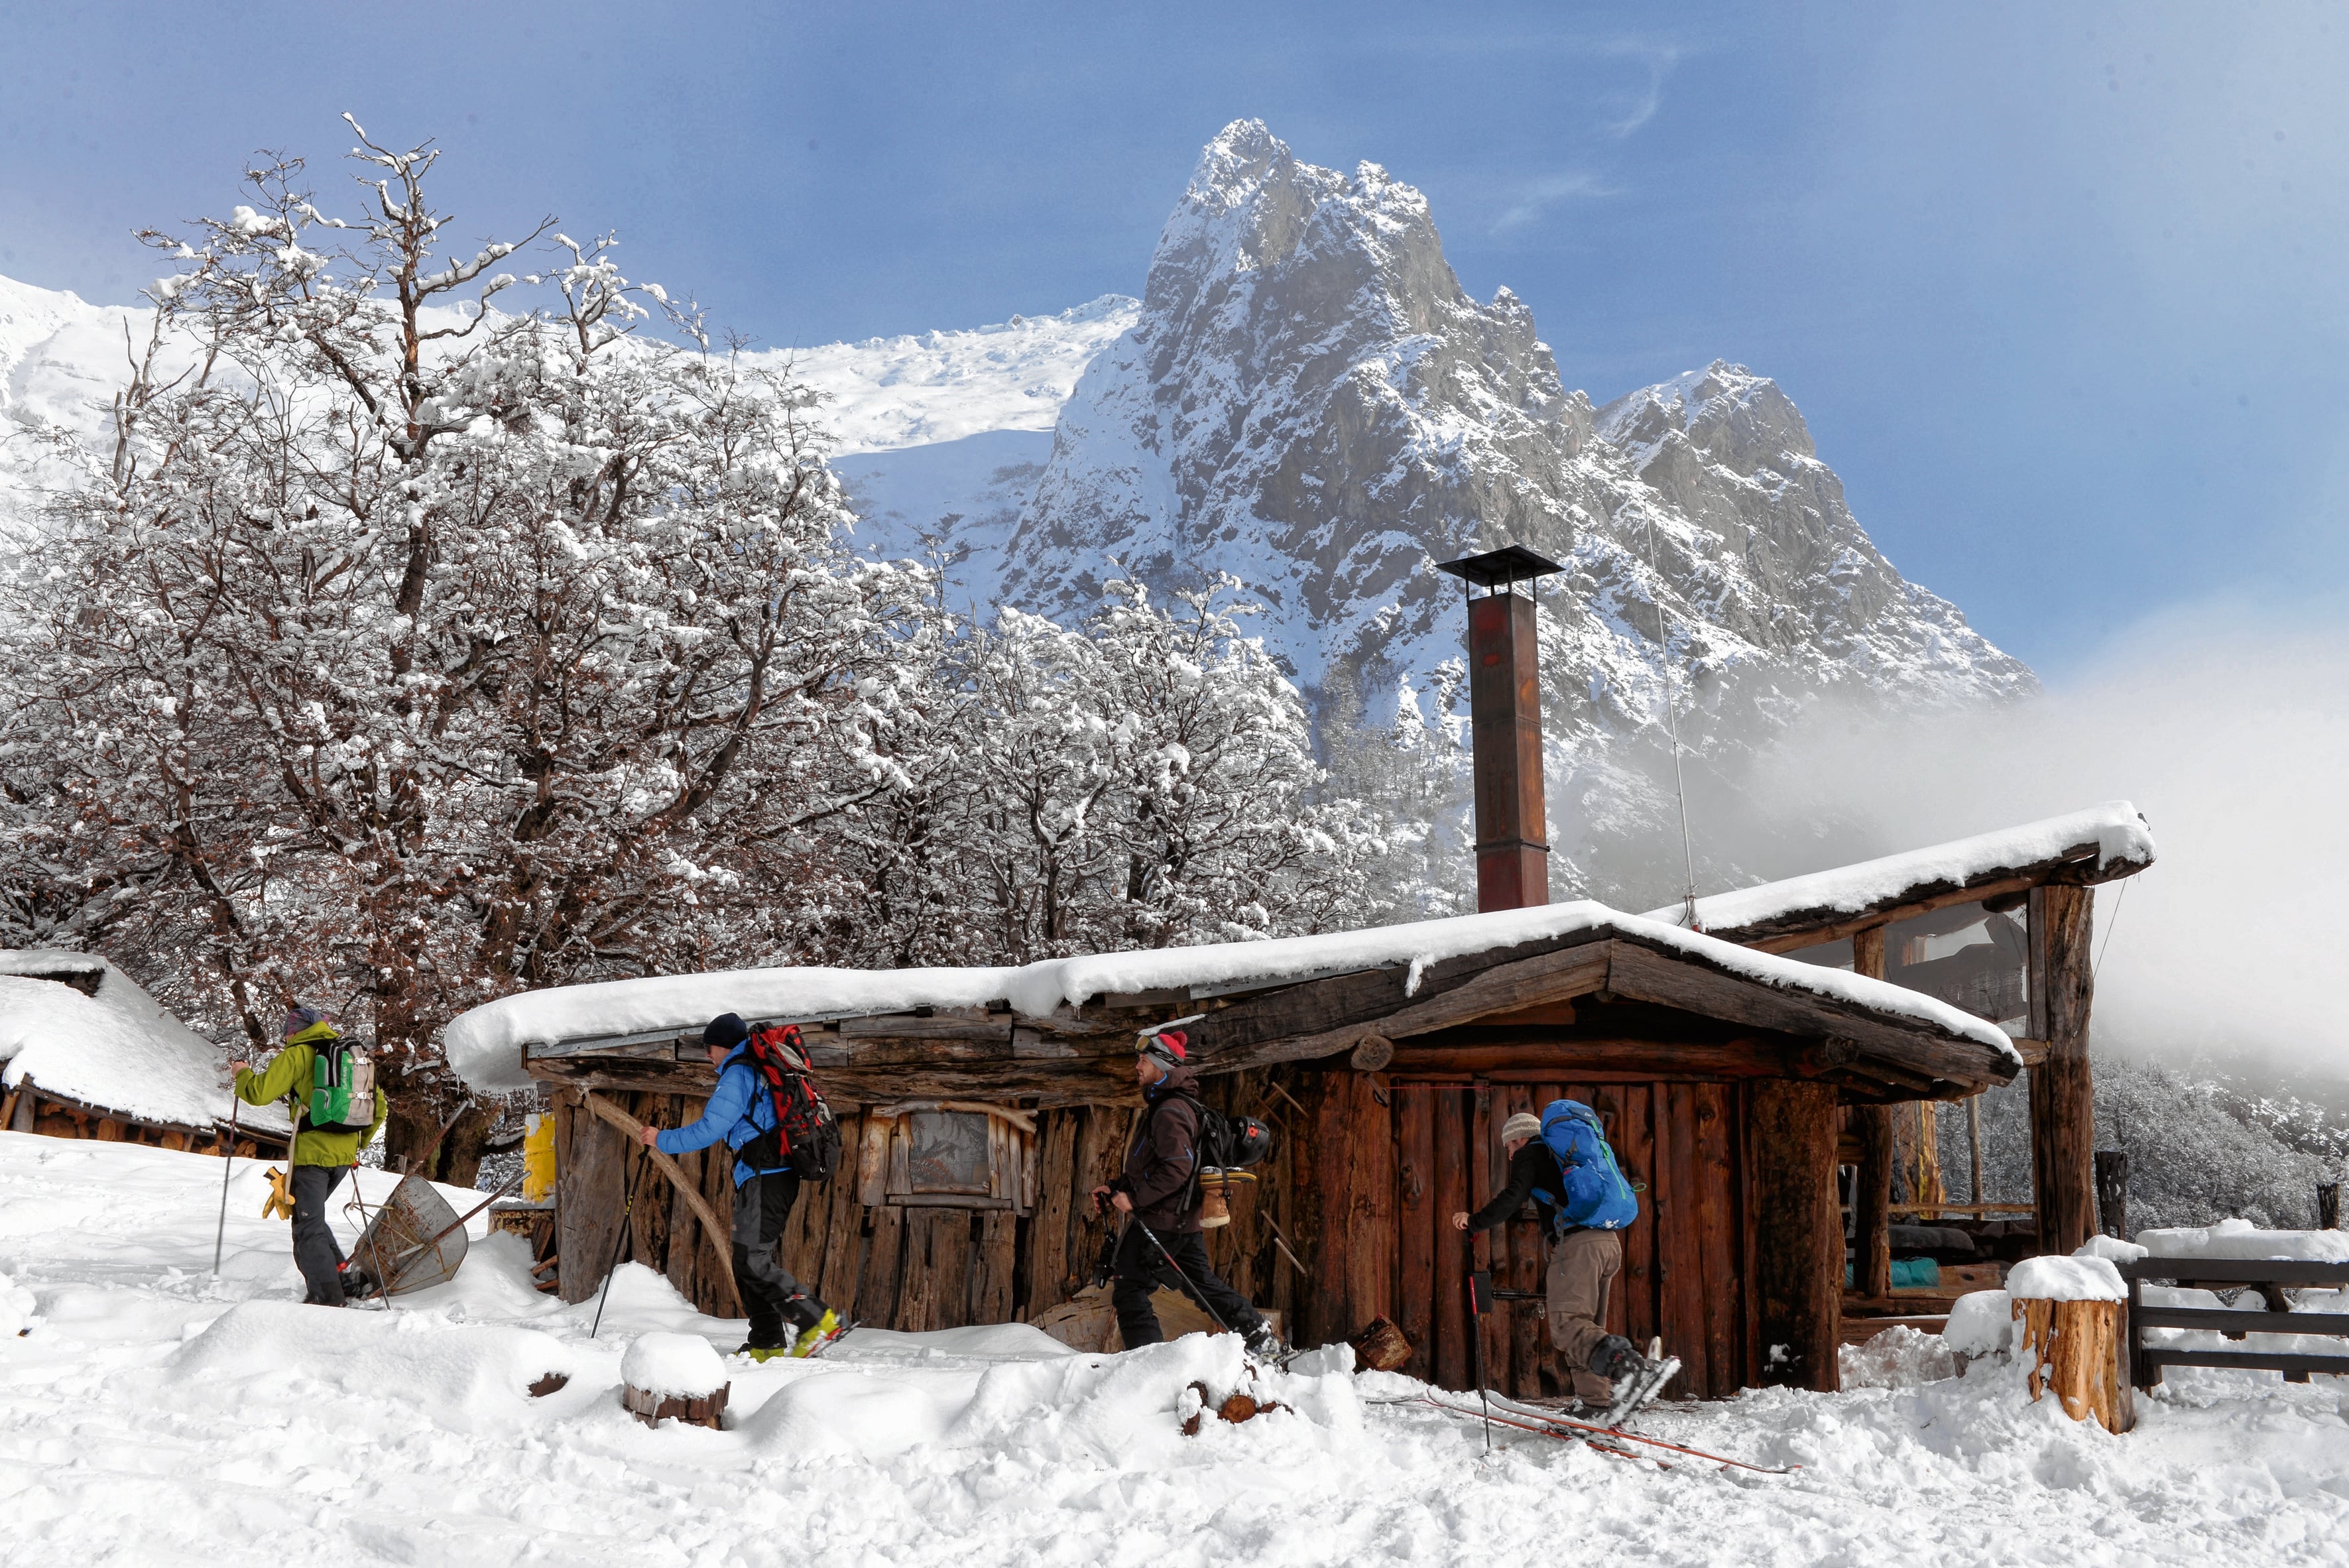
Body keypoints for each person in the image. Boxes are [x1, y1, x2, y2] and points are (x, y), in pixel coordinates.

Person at [641, 1012, 839, 1360]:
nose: (707, 1056)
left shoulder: (738, 1074)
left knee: (753, 1260)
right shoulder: (754, 1071)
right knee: (745, 1261)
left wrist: (661, 1139)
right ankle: (767, 1341)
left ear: (723, 1046)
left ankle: (816, 1320)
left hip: (768, 1175)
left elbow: (708, 1130)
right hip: (763, 1176)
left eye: (709, 1048)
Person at [1451, 1108, 1661, 1412]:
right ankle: (1596, 1406)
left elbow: (1512, 1197)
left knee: (1568, 1326)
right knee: (1585, 1333)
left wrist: (1474, 1221)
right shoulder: (1565, 1156)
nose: (1510, 1155)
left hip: (1578, 1247)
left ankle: (1632, 1369)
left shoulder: (1531, 1153)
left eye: (1509, 1146)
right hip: (1607, 1243)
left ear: (1520, 1138)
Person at [1090, 1027, 1282, 1359]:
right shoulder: (1174, 1107)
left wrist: (1134, 1199)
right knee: (1204, 1287)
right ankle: (1261, 1341)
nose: (1137, 1066)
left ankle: (1147, 1364)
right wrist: (1118, 1188)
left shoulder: (1170, 1111)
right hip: (1178, 1220)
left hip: (1162, 1220)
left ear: (1162, 1065)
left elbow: (1177, 1168)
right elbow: (1156, 1165)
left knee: (1131, 1288)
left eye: (1143, 1060)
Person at [229, 1004, 389, 1309]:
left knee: (307, 1227)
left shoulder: (298, 1054)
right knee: (311, 1219)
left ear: (295, 1030)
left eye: (289, 1029)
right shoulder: (352, 1056)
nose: (287, 1035)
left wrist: (242, 1073)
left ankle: (327, 1296)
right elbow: (378, 1107)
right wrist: (357, 1144)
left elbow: (259, 1093)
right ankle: (344, 1282)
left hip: (310, 1157)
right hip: (343, 1158)